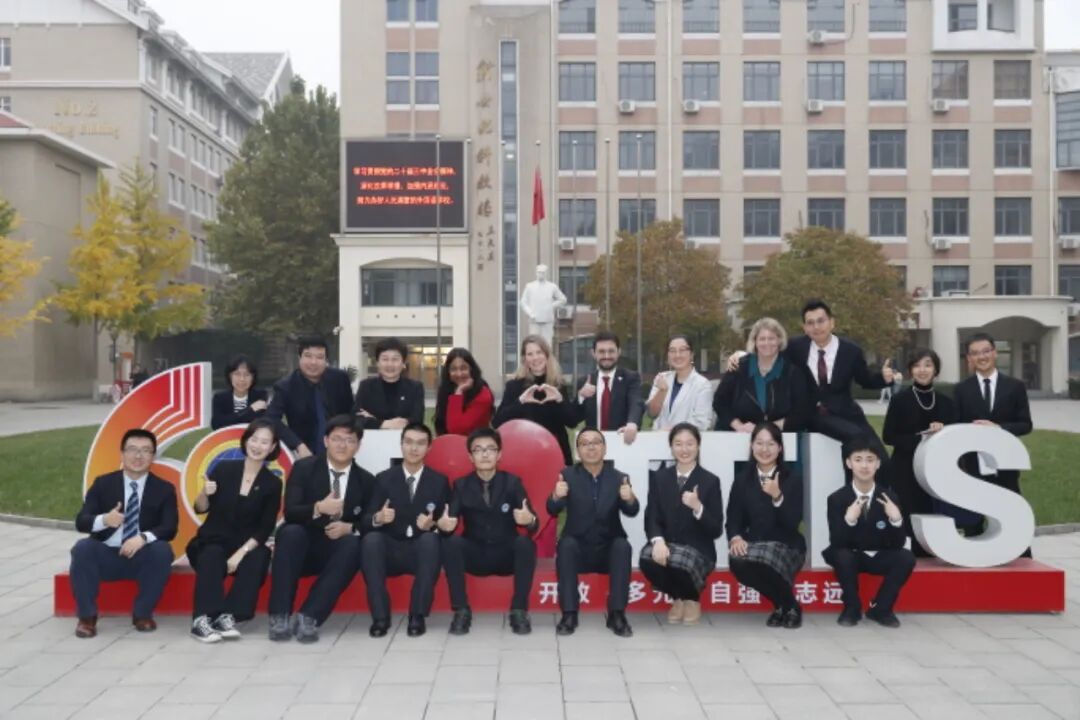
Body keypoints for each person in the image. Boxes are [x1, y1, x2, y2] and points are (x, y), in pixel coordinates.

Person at [267, 415, 375, 643]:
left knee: (354, 543)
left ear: (358, 446)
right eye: (337, 439)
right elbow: (291, 512)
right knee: (290, 532)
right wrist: (318, 507)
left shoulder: (366, 480)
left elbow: (369, 520)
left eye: (350, 440)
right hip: (301, 545)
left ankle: (310, 616)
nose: (342, 445)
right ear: (326, 441)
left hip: (335, 552)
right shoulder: (304, 468)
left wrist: (349, 527)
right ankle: (279, 615)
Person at [70, 429, 178, 638]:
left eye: (145, 451)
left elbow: (169, 528)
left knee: (162, 551)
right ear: (122, 454)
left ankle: (142, 614)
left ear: (153, 456)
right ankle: (87, 618)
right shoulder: (103, 484)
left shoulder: (164, 489)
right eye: (132, 450)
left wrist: (142, 538)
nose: (138, 456)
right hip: (107, 553)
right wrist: (105, 520)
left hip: (141, 556)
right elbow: (81, 522)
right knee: (82, 549)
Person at [186, 419, 283, 642]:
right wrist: (205, 493)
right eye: (254, 439)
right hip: (213, 540)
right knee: (212, 553)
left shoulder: (272, 483)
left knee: (259, 556)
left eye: (264, 442)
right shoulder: (224, 468)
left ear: (272, 447)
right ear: (246, 440)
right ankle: (202, 620)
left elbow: (265, 527)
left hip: (243, 544)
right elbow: (201, 508)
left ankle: (228, 616)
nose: (258, 446)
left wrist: (240, 553)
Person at [441, 428, 539, 636]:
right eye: (478, 450)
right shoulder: (461, 485)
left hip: (505, 555)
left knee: (525, 544)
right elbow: (449, 520)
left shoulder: (512, 482)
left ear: (499, 454)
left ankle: (519, 610)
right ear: (470, 456)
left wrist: (529, 520)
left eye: (490, 449)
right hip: (475, 555)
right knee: (451, 543)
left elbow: (533, 522)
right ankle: (461, 610)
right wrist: (444, 526)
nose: (485, 454)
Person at [547, 428, 640, 637]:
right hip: (578, 549)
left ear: (604, 448)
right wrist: (556, 496)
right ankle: (569, 614)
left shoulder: (619, 478)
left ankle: (617, 614)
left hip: (608, 549)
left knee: (622, 546)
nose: (590, 447)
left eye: (596, 442)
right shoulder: (567, 475)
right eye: (584, 443)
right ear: (578, 451)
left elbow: (632, 511)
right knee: (566, 545)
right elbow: (552, 509)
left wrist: (629, 498)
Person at [360, 423, 450, 638]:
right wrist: (378, 518)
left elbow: (445, 524)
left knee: (431, 540)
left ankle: (417, 615)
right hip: (390, 549)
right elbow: (364, 521)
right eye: (408, 442)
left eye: (420, 443)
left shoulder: (439, 481)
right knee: (371, 540)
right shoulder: (383, 478)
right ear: (401, 445)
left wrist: (433, 525)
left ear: (429, 448)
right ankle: (380, 617)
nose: (414, 448)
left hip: (421, 552)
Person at [953, 333, 1033, 554]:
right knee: (973, 520)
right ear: (969, 358)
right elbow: (956, 427)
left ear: (995, 352)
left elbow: (1025, 424)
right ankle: (975, 561)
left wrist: (998, 428)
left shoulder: (1015, 386)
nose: (982, 357)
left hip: (1005, 463)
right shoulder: (961, 389)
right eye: (975, 353)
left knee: (1012, 516)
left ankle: (1022, 560)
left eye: (986, 351)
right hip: (972, 465)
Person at [823, 438, 915, 628]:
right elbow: (837, 541)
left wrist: (896, 520)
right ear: (849, 463)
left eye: (870, 460)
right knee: (842, 555)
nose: (864, 466)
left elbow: (898, 544)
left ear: (878, 464)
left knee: (906, 557)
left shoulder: (889, 497)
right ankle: (852, 608)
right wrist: (850, 520)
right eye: (858, 459)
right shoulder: (837, 498)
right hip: (850, 554)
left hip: (878, 554)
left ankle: (881, 609)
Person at [639, 423, 724, 625]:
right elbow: (651, 515)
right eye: (678, 444)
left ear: (698, 446)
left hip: (699, 550)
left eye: (689, 444)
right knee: (646, 556)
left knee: (680, 560)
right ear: (671, 447)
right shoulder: (660, 478)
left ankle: (692, 599)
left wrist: (698, 507)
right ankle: (678, 597)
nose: (684, 449)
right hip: (669, 545)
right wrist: (658, 541)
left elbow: (716, 529)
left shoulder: (710, 481)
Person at [726, 422, 806, 629]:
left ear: (780, 448)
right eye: (759, 443)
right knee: (737, 560)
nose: (764, 449)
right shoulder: (742, 479)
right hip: (756, 543)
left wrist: (777, 496)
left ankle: (787, 607)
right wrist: (736, 537)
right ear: (752, 446)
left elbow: (792, 523)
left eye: (771, 444)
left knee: (766, 558)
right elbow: (733, 518)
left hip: (787, 544)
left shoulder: (792, 478)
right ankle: (785, 605)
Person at [882, 349, 955, 556]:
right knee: (908, 517)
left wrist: (943, 431)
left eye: (928, 365)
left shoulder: (947, 402)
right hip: (905, 468)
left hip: (937, 468)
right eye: (917, 365)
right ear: (910, 370)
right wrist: (922, 438)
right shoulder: (899, 400)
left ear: (936, 370)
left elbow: (954, 437)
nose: (922, 370)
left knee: (932, 516)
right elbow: (888, 436)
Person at [494, 334, 578, 465]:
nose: (535, 358)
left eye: (539, 352)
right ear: (524, 358)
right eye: (530, 354)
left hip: (555, 450)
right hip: (524, 452)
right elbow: (497, 423)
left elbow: (572, 422)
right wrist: (520, 402)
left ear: (546, 355)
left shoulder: (558, 384)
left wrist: (560, 400)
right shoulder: (514, 386)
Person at [713, 318, 809, 432]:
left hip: (779, 437)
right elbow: (719, 402)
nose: (767, 343)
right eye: (762, 339)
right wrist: (739, 426)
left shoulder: (793, 373)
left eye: (771, 338)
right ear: (755, 342)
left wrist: (765, 429)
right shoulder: (738, 367)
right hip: (739, 436)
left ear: (779, 341)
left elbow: (800, 412)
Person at [266, 336, 354, 459]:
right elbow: (271, 418)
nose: (313, 362)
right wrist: (297, 444)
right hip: (305, 453)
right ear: (299, 358)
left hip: (341, 449)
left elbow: (350, 412)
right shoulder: (286, 387)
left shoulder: (339, 379)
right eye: (308, 356)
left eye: (319, 357)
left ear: (326, 360)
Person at [575, 331, 644, 445]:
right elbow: (573, 420)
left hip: (622, 443)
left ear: (619, 352)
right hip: (594, 447)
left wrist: (632, 423)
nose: (606, 356)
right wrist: (580, 397)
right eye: (601, 352)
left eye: (611, 351)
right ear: (593, 353)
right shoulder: (585, 382)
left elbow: (636, 403)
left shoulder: (630, 378)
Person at [353, 337, 426, 431]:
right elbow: (357, 419)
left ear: (403, 363)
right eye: (385, 359)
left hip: (404, 439)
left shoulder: (415, 387)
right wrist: (383, 424)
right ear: (377, 363)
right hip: (373, 439)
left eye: (395, 359)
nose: (390, 364)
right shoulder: (366, 386)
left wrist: (373, 420)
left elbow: (417, 420)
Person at [646, 334, 714, 431]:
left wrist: (673, 429)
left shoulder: (702, 385)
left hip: (686, 439)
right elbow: (651, 414)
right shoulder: (662, 378)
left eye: (682, 350)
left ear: (691, 354)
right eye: (672, 351)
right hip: (659, 438)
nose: (677, 355)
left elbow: (702, 422)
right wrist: (662, 391)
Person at [433, 347, 494, 436]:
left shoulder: (483, 393)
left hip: (476, 442)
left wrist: (458, 392)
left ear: (471, 369)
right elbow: (441, 425)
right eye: (453, 369)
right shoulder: (445, 390)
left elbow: (456, 429)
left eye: (463, 368)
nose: (459, 374)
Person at [211, 354, 269, 430]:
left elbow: (259, 423)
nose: (242, 379)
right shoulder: (220, 398)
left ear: (253, 377)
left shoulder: (260, 396)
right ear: (230, 376)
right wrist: (250, 410)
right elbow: (216, 424)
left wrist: (231, 419)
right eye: (237, 374)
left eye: (247, 375)